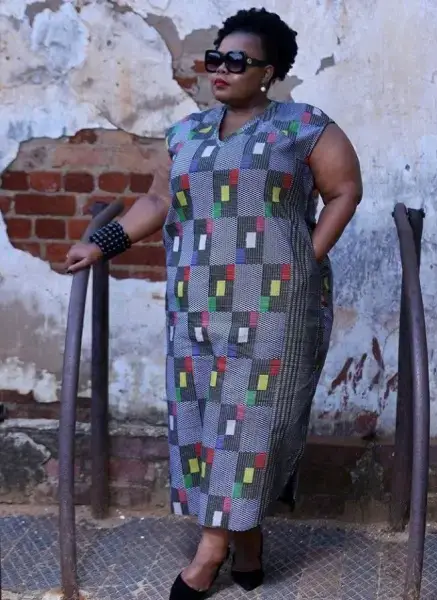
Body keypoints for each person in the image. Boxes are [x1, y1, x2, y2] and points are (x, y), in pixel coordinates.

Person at [65, 7, 362, 599]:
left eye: (236, 61)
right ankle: (246, 541)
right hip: (195, 301)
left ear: (268, 72)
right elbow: (158, 201)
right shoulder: (187, 133)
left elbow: (344, 190)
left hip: (275, 306)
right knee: (203, 422)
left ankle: (209, 553)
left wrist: (306, 259)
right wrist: (102, 243)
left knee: (249, 423)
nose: (220, 70)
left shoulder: (303, 125)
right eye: (214, 59)